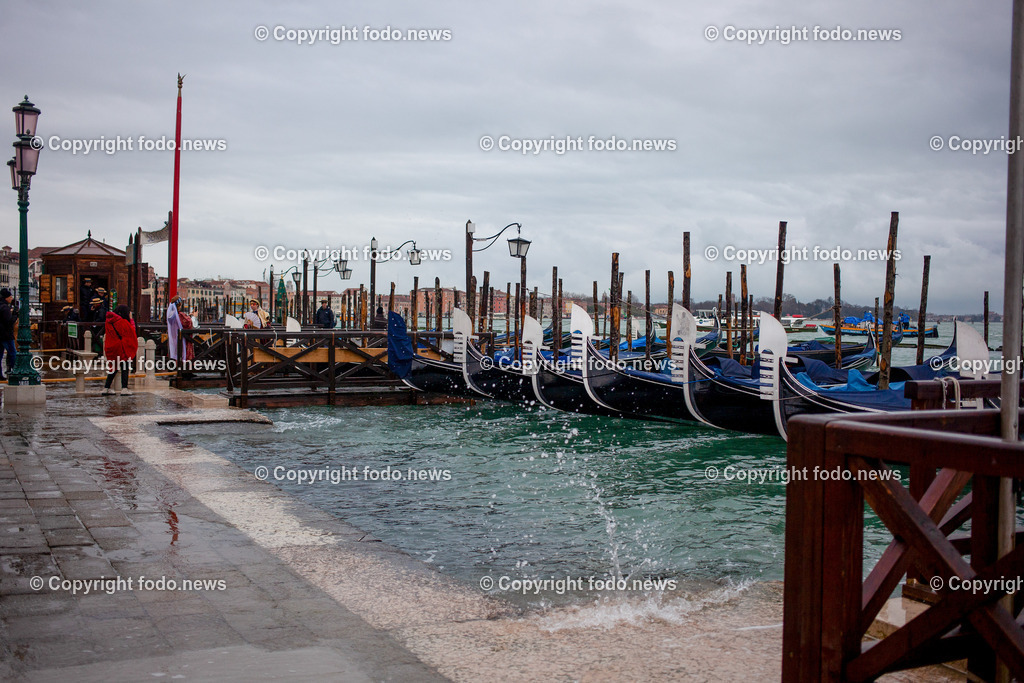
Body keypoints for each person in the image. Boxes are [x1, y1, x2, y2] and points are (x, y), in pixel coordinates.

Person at [101, 304, 138, 396]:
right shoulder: (122, 322)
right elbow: (131, 330)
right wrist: (131, 320)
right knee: (124, 367)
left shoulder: (108, 321)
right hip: (121, 347)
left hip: (111, 346)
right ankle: (124, 388)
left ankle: (106, 388)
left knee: (113, 367)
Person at [0, 288, 15, 380]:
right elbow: (9, 322)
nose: (11, 298)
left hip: (1, 335)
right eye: (10, 297)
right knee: (12, 352)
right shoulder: (5, 308)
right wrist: (15, 315)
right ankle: (15, 370)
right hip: (6, 335)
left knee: (0, 355)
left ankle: (0, 374)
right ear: (6, 298)